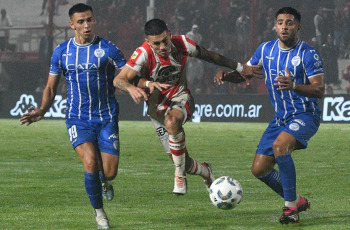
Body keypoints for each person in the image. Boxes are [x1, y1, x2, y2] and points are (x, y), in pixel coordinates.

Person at [113, 18, 262, 195]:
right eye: (156, 43)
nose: (162, 46)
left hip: (181, 97)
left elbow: (209, 55)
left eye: (164, 40)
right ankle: (205, 171)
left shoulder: (182, 43)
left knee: (172, 121)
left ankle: (179, 175)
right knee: (184, 161)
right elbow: (119, 80)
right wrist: (133, 87)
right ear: (148, 42)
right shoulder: (143, 53)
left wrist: (239, 67)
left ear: (169, 34)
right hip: (156, 110)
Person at [19, 3, 126, 229]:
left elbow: (127, 76)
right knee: (89, 162)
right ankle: (100, 216)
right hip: (77, 118)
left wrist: (138, 87)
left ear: (94, 20)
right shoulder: (62, 52)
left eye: (90, 20)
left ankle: (104, 181)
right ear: (72, 25)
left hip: (106, 117)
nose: (86, 25)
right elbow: (50, 87)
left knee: (109, 172)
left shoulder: (108, 48)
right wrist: (43, 109)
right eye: (81, 21)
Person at [215, 7, 325, 224]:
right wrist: (227, 77)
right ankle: (297, 200)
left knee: (280, 147)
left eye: (290, 22)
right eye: (280, 22)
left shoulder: (308, 54)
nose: (284, 26)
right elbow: (246, 73)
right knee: (259, 169)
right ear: (275, 26)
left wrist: (293, 85)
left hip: (305, 114)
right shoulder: (265, 50)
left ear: (298, 26)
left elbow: (319, 90)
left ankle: (290, 210)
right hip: (280, 117)